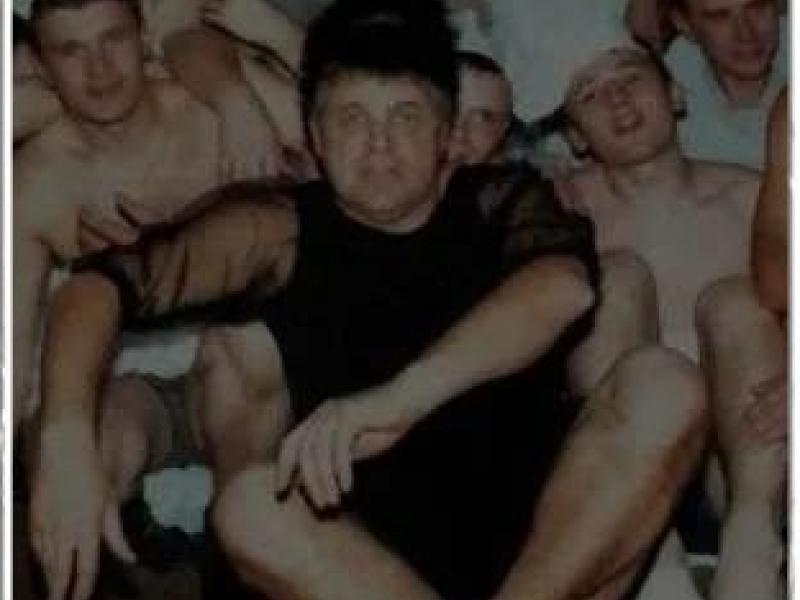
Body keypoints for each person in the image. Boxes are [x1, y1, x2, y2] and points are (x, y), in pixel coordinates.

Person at [29, 1, 707, 600]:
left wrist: (395, 401)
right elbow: (99, 286)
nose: (379, 144)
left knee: (665, 383)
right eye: (352, 118)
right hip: (354, 564)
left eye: (405, 116)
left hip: (531, 552)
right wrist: (63, 438)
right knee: (250, 507)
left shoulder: (499, 202)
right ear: (316, 136)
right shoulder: (276, 228)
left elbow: (561, 287)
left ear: (446, 135)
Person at [13, 0, 306, 432]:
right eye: (72, 51)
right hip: (130, 385)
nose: (99, 69)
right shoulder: (39, 182)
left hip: (262, 358)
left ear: (143, 35)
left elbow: (356, 157)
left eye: (113, 39)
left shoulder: (217, 96)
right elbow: (14, 362)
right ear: (42, 67)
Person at [560, 42, 786, 600]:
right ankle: (655, 566)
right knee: (615, 279)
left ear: (676, 94)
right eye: (591, 94)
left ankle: (753, 551)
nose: (618, 100)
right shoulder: (553, 210)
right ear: (575, 136)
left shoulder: (752, 196)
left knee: (737, 300)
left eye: (631, 79)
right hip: (620, 469)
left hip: (749, 460)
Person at [664, 0, 787, 168]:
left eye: (757, 7)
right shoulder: (661, 104)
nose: (746, 34)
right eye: (719, 16)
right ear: (684, 24)